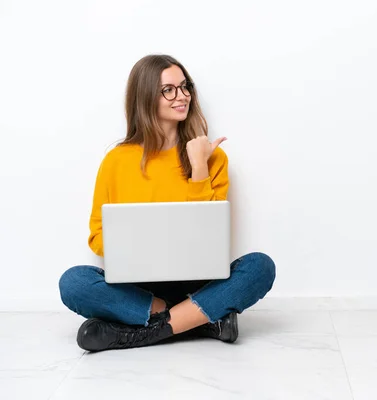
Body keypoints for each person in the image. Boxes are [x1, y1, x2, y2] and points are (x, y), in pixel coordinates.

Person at [58, 54, 276, 352]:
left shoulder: (213, 157)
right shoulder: (116, 161)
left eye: (185, 87)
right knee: (73, 282)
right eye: (169, 89)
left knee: (260, 267)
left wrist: (199, 166)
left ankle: (139, 332)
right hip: (139, 287)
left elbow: (210, 233)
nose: (182, 96)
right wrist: (137, 248)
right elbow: (97, 236)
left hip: (198, 281)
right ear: (146, 97)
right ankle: (200, 319)